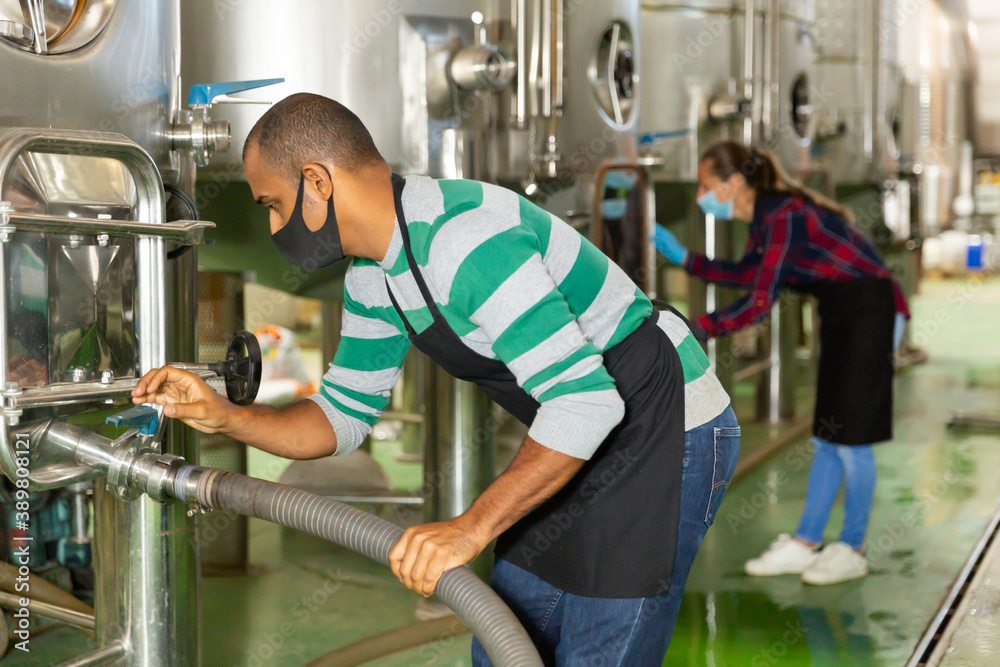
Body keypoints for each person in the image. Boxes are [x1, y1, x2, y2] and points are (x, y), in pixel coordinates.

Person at [130, 92, 736, 664]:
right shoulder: (373, 277)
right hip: (572, 432)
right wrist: (225, 416)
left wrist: (469, 528)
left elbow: (585, 403)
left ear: (317, 181)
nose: (272, 228)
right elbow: (340, 418)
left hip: (664, 423)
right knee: (509, 642)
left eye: (273, 205)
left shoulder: (464, 240)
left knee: (598, 652)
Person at [654, 141, 910, 585]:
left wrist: (696, 328)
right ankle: (808, 542)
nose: (700, 195)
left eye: (705, 184)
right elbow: (751, 274)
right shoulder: (767, 219)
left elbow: (757, 302)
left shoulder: (783, 215)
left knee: (854, 441)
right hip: (842, 311)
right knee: (829, 436)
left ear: (734, 184)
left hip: (872, 310)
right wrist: (685, 259)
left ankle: (852, 548)